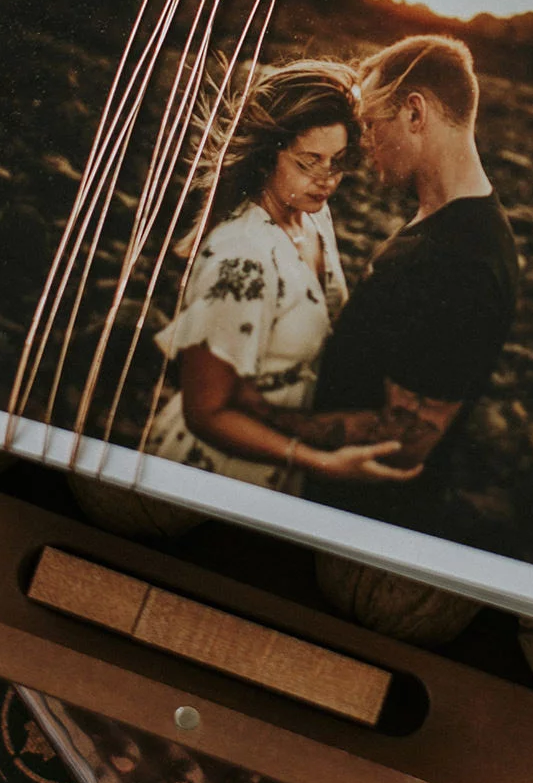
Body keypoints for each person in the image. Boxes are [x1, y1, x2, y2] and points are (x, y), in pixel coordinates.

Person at [254, 34, 520, 517]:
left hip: (354, 513)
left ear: (415, 114)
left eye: (371, 124)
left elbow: (404, 438)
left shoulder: (465, 263)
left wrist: (260, 417)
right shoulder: (448, 219)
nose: (363, 145)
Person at [148, 59, 407, 492]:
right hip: (209, 472)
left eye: (338, 162)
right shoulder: (241, 257)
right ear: (270, 154)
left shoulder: (315, 218)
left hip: (277, 461)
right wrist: (319, 462)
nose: (326, 180)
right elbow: (205, 412)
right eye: (309, 162)